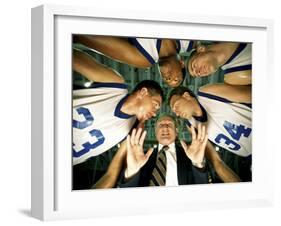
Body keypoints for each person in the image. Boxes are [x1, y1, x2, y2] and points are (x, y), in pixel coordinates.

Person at [72, 49, 164, 166]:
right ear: (143, 92)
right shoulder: (114, 84)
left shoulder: (129, 131)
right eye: (155, 104)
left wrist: (140, 125)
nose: (155, 113)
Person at [168, 84, 252, 182]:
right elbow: (217, 163)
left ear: (186, 96)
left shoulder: (206, 93)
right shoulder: (191, 125)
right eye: (174, 112)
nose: (177, 113)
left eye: (176, 106)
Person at [119, 114, 210, 187]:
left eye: (169, 124)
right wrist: (132, 171)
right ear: (155, 131)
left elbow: (203, 188)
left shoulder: (189, 156)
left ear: (176, 131)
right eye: (161, 125)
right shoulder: (141, 156)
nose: (165, 128)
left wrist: (198, 164)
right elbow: (127, 193)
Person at [73, 35, 196, 87]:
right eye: (176, 79)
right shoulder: (189, 42)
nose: (168, 79)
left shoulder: (144, 57)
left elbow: (86, 37)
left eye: (166, 80)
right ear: (182, 63)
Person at [187, 42, 252, 85]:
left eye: (194, 66)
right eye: (198, 75)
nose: (198, 72)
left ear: (201, 49)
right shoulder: (233, 78)